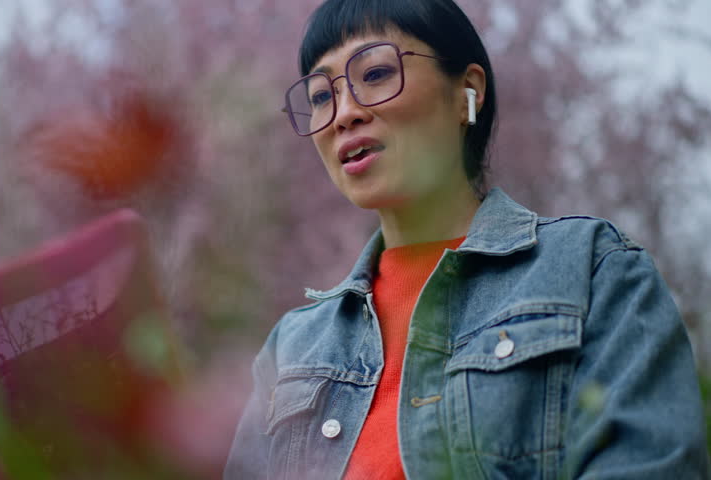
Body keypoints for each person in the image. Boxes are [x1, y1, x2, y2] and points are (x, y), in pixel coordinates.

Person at [224, 0, 710, 478]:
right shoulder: (291, 349)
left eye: (374, 74)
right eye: (320, 97)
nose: (344, 113)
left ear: (466, 92)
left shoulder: (592, 271)